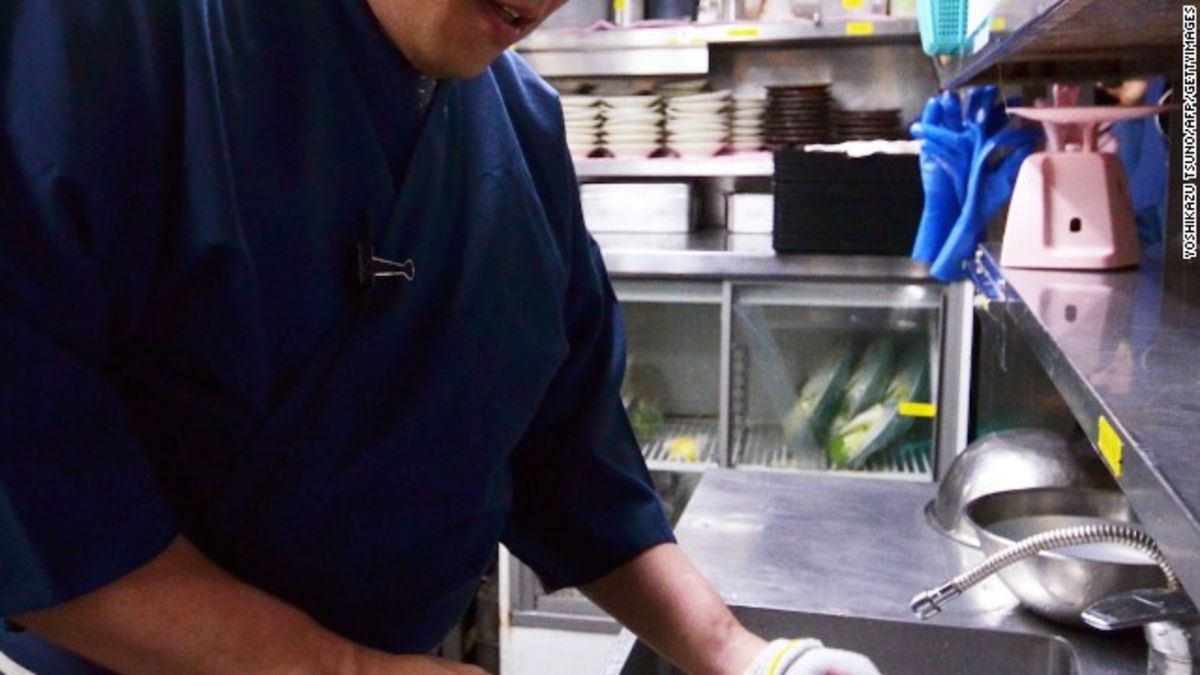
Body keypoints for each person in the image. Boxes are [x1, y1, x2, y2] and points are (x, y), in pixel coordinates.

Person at [0, 1, 878, 673]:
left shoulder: (522, 131)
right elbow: (40, 509)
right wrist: (344, 669)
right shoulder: (108, 42)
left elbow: (567, 459)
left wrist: (742, 654)